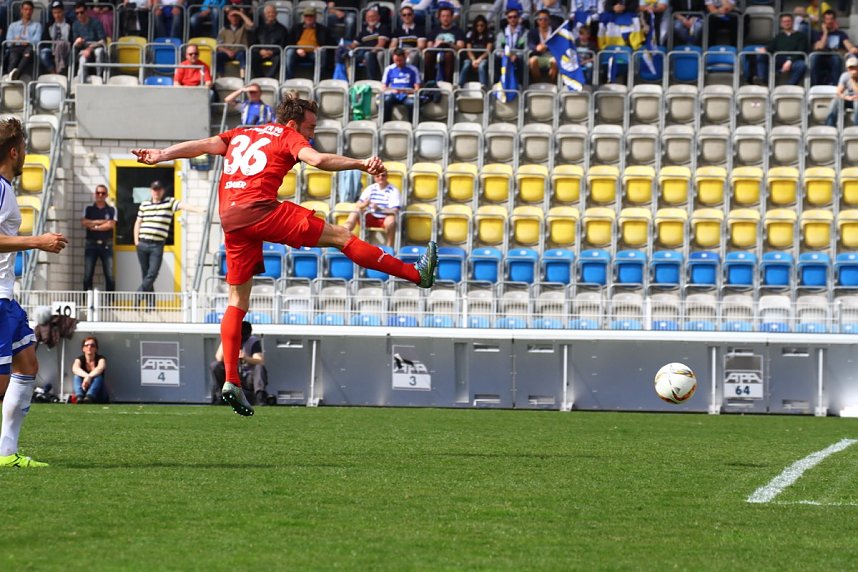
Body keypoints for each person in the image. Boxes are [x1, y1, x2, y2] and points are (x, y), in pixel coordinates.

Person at [131, 93, 438, 417]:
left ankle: (232, 380)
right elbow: (318, 161)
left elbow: (204, 145)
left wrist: (161, 154)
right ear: (293, 122)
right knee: (341, 236)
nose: (311, 133)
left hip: (231, 218)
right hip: (259, 209)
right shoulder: (287, 135)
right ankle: (417, 275)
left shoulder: (242, 133)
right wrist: (360, 163)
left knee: (237, 300)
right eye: (309, 127)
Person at [0, 116, 68, 467]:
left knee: (27, 365)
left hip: (6, 298)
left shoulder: (6, 189)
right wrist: (37, 241)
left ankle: (6, 454)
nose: (27, 153)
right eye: (25, 147)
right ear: (14, 151)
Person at [133, 180, 205, 305]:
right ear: (151, 191)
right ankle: (150, 305)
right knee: (146, 274)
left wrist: (199, 210)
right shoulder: (144, 204)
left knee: (153, 273)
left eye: (159, 189)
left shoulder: (169, 202)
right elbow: (138, 222)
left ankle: (139, 293)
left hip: (157, 244)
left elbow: (183, 206)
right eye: (154, 189)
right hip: (143, 243)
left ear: (162, 191)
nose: (156, 192)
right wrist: (136, 241)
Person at [209, 321, 267, 405]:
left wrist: (246, 358)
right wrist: (227, 340)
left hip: (247, 375)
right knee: (215, 365)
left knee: (259, 367)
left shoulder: (253, 341)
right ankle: (219, 396)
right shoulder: (228, 339)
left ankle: (260, 396)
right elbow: (219, 358)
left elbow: (260, 360)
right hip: (231, 375)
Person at [344, 170, 400, 248]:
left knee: (391, 220)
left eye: (383, 175)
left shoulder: (393, 190)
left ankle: (390, 247)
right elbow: (358, 204)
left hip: (384, 218)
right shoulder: (370, 188)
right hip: (370, 216)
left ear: (387, 176)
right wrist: (364, 204)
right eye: (378, 176)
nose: (381, 178)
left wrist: (379, 209)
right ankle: (344, 234)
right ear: (374, 178)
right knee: (356, 210)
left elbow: (395, 211)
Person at [749, 13, 808, 86]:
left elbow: (801, 51)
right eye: (784, 22)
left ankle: (790, 85)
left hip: (794, 60)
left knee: (801, 65)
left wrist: (790, 61)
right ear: (781, 24)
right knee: (761, 55)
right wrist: (764, 49)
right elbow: (770, 48)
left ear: (792, 22)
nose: (786, 23)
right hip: (779, 59)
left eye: (788, 21)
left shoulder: (801, 36)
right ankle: (762, 80)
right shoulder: (779, 36)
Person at [337, 6, 389, 81]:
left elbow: (380, 45)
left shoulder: (383, 28)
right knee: (342, 52)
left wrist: (368, 55)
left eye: (373, 16)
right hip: (361, 53)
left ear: (378, 17)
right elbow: (354, 45)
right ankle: (343, 79)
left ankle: (371, 80)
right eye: (369, 17)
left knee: (367, 55)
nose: (371, 19)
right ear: (366, 19)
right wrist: (345, 47)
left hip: (374, 53)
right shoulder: (364, 31)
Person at [81, 184, 116, 291]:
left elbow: (110, 224)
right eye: (98, 193)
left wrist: (94, 226)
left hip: (107, 244)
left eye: (103, 193)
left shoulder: (111, 209)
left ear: (107, 195)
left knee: (109, 275)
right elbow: (84, 222)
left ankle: (110, 304)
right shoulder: (88, 209)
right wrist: (101, 222)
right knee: (88, 274)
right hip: (91, 244)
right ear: (94, 194)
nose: (100, 195)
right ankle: (86, 302)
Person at [811, 10, 858, 86]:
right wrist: (825, 32)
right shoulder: (819, 34)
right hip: (821, 58)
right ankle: (815, 85)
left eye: (831, 19)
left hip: (834, 58)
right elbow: (820, 47)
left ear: (834, 20)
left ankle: (835, 85)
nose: (829, 21)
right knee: (814, 57)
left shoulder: (841, 34)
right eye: (827, 19)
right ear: (824, 21)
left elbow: (849, 46)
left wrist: (852, 49)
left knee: (836, 58)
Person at [285, 8, 329, 80]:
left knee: (322, 53)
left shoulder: (323, 29)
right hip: (298, 52)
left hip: (313, 52)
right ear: (303, 17)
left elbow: (330, 43)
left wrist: (320, 48)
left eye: (311, 16)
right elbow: (289, 41)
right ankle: (289, 79)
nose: (308, 18)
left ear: (315, 17)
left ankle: (318, 80)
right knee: (289, 52)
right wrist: (297, 49)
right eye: (306, 16)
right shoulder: (296, 27)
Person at [3, 0, 41, 81]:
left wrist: (26, 41)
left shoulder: (37, 25)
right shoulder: (13, 25)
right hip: (16, 47)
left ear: (32, 11)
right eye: (26, 9)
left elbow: (37, 40)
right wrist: (17, 41)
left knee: (28, 53)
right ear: (21, 10)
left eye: (30, 9)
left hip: (29, 47)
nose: (28, 12)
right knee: (14, 57)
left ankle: (15, 75)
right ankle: (12, 75)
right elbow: (8, 41)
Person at [425, 5, 465, 83]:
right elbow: (428, 47)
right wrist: (436, 45)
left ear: (452, 17)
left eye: (448, 16)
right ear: (439, 18)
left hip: (451, 53)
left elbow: (461, 47)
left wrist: (449, 44)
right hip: (436, 51)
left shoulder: (458, 31)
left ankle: (447, 82)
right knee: (427, 56)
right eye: (443, 16)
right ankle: (430, 81)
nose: (445, 18)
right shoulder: (434, 31)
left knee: (448, 55)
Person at [381, 48, 421, 123]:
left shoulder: (413, 69)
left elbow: (417, 88)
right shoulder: (389, 69)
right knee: (386, 101)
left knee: (411, 103)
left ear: (405, 58)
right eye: (396, 60)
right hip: (393, 94)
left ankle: (412, 125)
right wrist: (392, 90)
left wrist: (407, 91)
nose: (398, 62)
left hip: (407, 94)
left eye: (400, 60)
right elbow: (383, 88)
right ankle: (386, 124)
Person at [71, 1, 106, 83]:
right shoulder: (75, 25)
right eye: (77, 13)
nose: (79, 15)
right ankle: (81, 83)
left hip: (96, 46)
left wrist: (90, 48)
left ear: (86, 12)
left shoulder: (96, 22)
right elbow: (75, 43)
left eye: (81, 12)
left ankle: (99, 78)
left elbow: (102, 40)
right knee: (82, 59)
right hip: (83, 48)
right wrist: (78, 42)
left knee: (99, 52)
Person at [216, 7, 254, 79]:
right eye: (232, 16)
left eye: (236, 16)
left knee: (243, 54)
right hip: (227, 53)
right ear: (228, 18)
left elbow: (251, 25)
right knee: (218, 56)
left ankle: (243, 77)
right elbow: (219, 45)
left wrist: (240, 13)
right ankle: (220, 77)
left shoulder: (244, 27)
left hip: (239, 52)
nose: (234, 18)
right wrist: (227, 51)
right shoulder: (224, 29)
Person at [252, 3, 288, 79]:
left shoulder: (282, 29)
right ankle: (259, 78)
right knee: (252, 57)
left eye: (272, 12)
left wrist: (272, 52)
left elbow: (283, 44)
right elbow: (253, 43)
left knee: (279, 58)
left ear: (276, 14)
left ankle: (269, 79)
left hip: (274, 54)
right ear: (264, 14)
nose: (270, 14)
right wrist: (260, 51)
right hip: (261, 53)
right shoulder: (259, 29)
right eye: (268, 13)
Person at [458, 15, 493, 88]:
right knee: (466, 64)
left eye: (482, 25)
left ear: (485, 26)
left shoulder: (489, 35)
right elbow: (468, 49)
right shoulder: (470, 34)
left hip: (483, 58)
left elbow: (488, 50)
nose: (479, 27)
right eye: (477, 25)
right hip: (472, 58)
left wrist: (479, 60)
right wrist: (474, 60)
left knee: (481, 65)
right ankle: (459, 85)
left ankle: (483, 86)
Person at [39, 0, 71, 76]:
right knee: (43, 54)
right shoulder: (49, 25)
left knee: (60, 46)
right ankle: (54, 73)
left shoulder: (69, 24)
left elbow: (71, 40)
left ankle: (60, 70)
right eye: (55, 13)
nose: (57, 15)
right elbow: (44, 39)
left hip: (65, 48)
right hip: (52, 48)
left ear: (63, 11)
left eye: (59, 12)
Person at [71, 336, 107, 403]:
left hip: (98, 394)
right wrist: (87, 376)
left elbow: (100, 368)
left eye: (92, 345)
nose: (89, 347)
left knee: (98, 377)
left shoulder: (101, 359)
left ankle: (89, 397)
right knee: (76, 376)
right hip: (84, 390)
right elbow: (75, 368)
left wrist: (89, 377)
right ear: (83, 349)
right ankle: (79, 397)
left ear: (96, 349)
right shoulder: (79, 359)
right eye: (87, 345)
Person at [389, 5, 426, 70]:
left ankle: (409, 73)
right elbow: (392, 46)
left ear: (413, 15)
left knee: (413, 55)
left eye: (409, 14)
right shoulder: (397, 30)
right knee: (392, 53)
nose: (407, 17)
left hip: (413, 51)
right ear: (401, 17)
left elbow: (421, 46)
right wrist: (401, 52)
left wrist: (409, 51)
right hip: (400, 51)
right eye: (404, 15)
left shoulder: (420, 29)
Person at [825, 56, 858, 127]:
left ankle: (856, 129)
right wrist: (846, 97)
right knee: (835, 101)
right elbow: (839, 92)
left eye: (855, 67)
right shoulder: (845, 76)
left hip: (857, 99)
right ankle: (829, 126)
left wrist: (853, 80)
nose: (853, 70)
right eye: (850, 68)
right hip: (849, 98)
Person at [527, 9, 557, 83]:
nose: (543, 21)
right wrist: (536, 48)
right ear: (537, 21)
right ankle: (537, 83)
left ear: (549, 20)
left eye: (545, 19)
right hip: (539, 56)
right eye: (540, 19)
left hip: (552, 56)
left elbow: (559, 44)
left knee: (555, 61)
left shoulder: (555, 31)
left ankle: (551, 82)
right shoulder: (533, 32)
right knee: (533, 60)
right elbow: (530, 44)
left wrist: (546, 47)